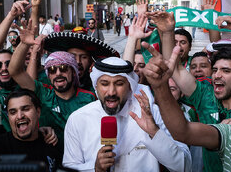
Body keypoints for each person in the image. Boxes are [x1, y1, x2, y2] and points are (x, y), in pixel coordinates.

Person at [63, 57, 192, 172]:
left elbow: (184, 166)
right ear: (96, 86)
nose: (111, 92)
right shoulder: (78, 119)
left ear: (130, 86)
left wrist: (154, 132)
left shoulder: (152, 113)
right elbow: (69, 166)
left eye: (119, 84)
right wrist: (94, 168)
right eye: (105, 84)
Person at [8, 23, 96, 150]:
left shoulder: (89, 97)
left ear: (73, 72)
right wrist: (24, 44)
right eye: (53, 70)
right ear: (48, 76)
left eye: (64, 68)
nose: (58, 73)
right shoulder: (43, 93)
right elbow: (15, 71)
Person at [43, 32, 120, 92]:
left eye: (84, 57)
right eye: (72, 56)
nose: (78, 61)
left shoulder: (96, 86)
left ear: (90, 61)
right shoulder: (51, 81)